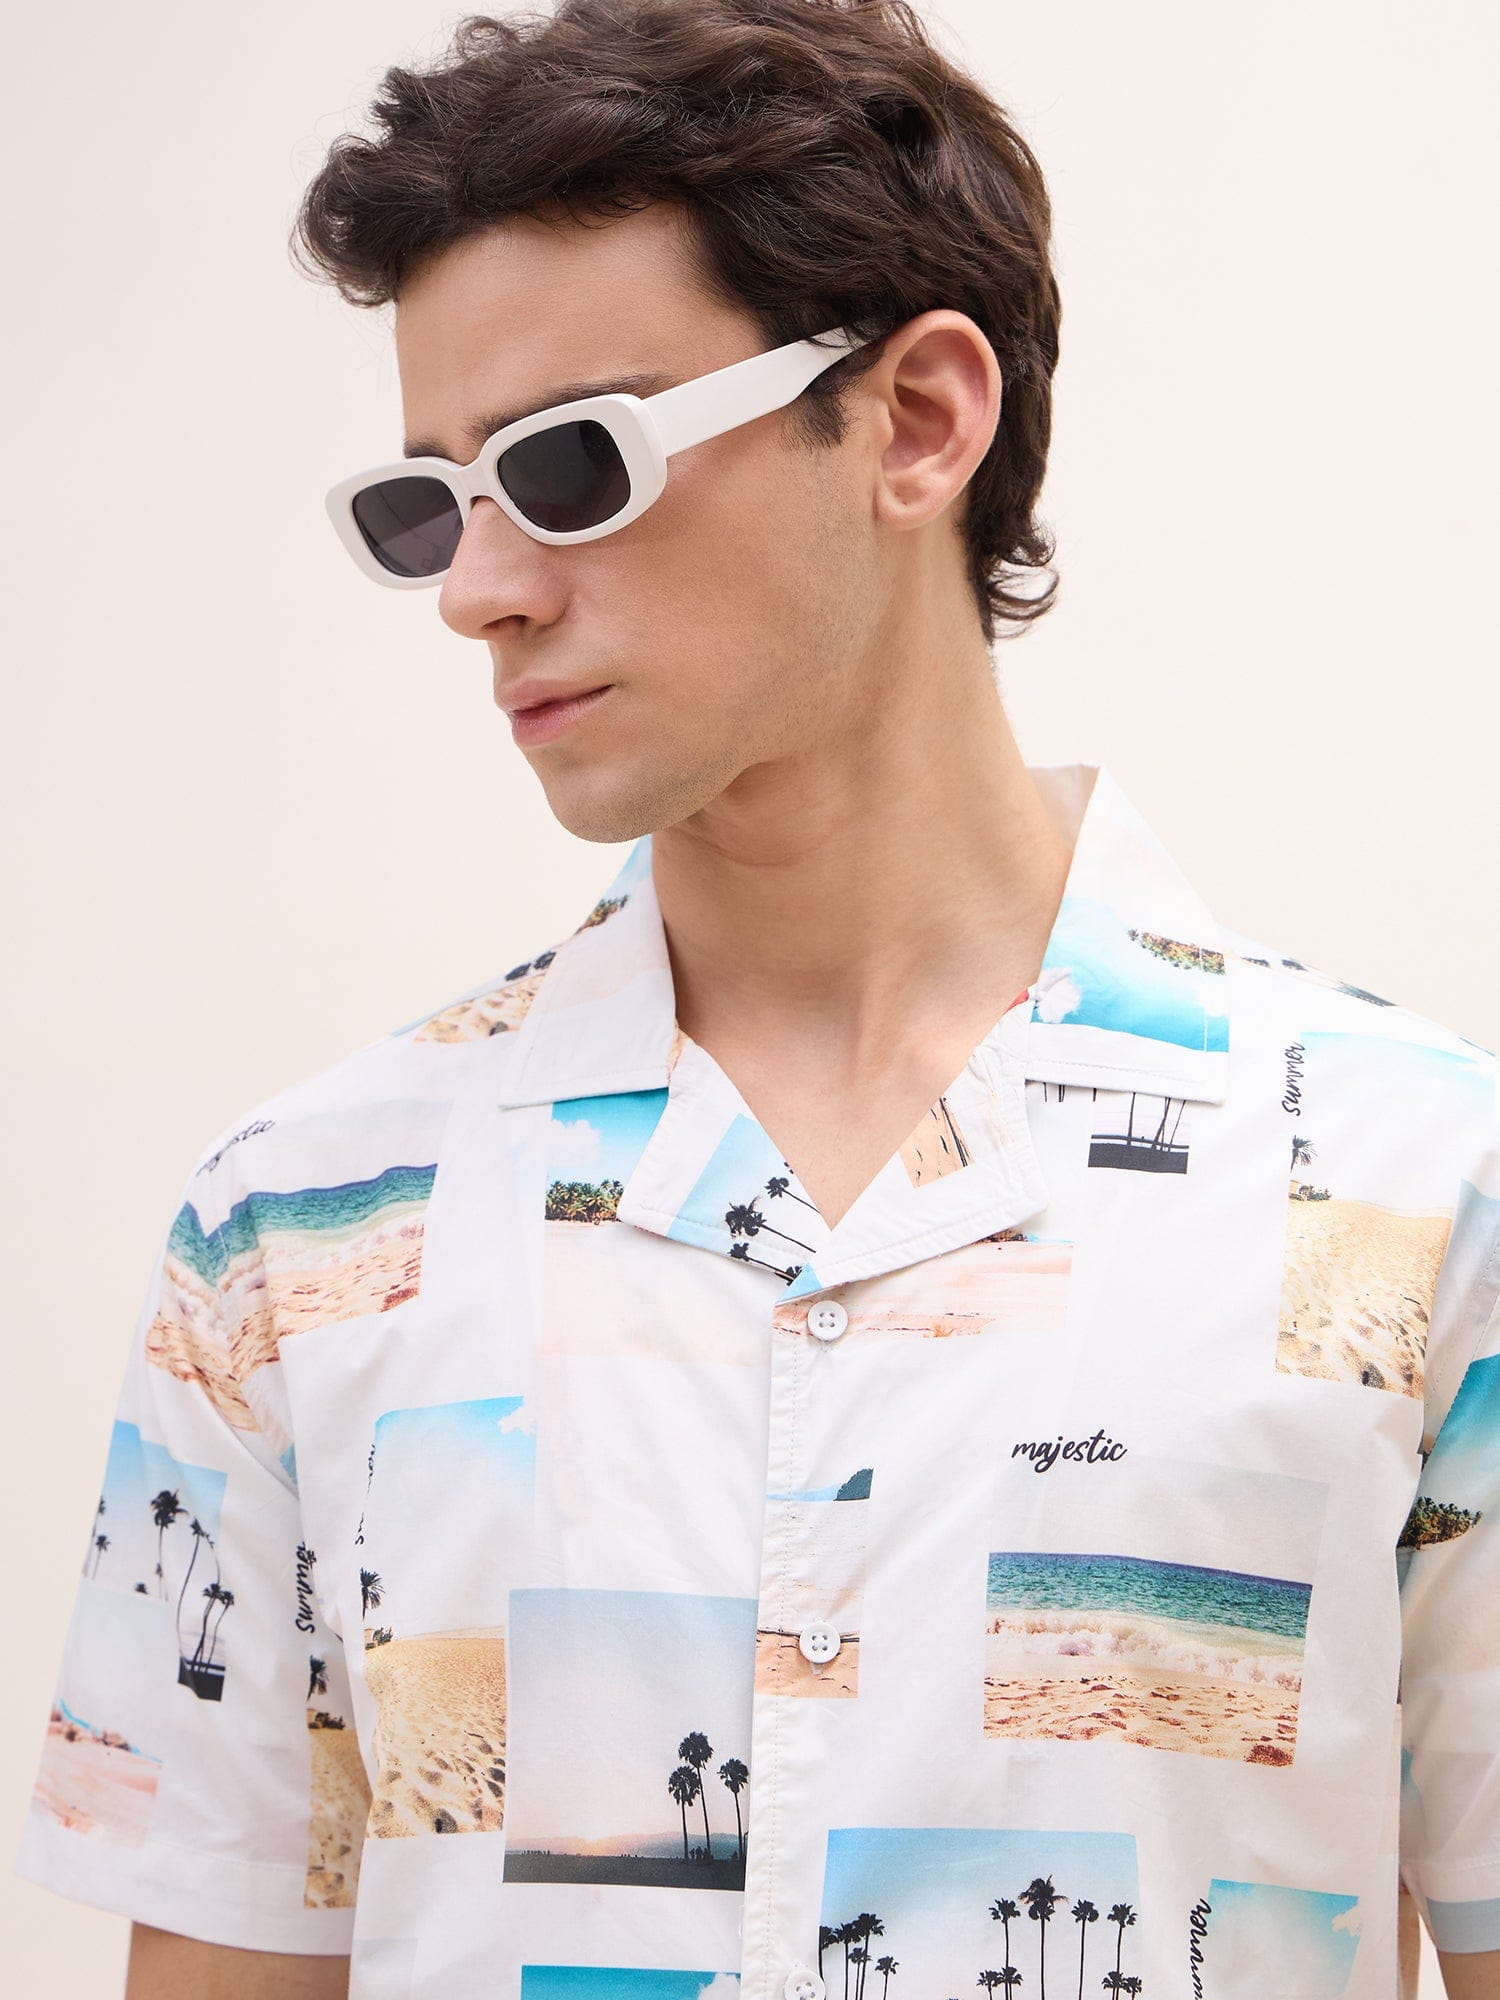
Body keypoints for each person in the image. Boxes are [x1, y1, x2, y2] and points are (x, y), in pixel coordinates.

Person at [15, 3, 1498, 1998]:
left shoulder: (1417, 1195)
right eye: (432, 500)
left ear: (917, 420)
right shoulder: (298, 1231)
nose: (477, 588)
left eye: (569, 465)